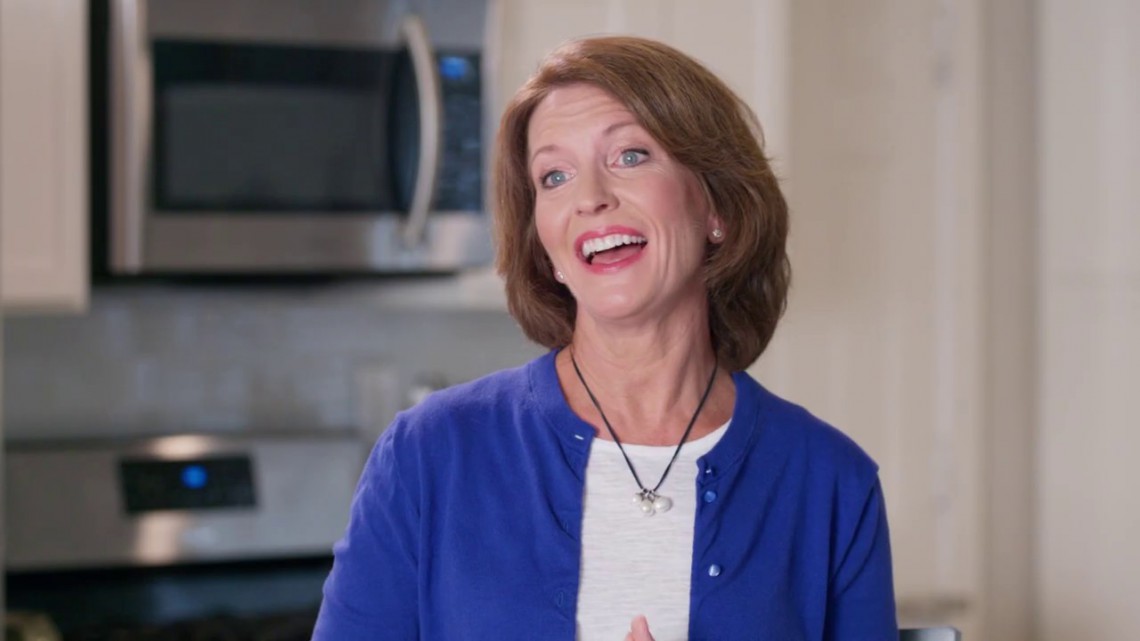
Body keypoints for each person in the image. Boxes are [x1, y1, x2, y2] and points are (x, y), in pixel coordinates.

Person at [313, 35, 896, 641]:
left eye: (630, 156)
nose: (589, 198)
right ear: (546, 247)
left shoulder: (830, 481)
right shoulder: (430, 454)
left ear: (716, 207)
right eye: (555, 175)